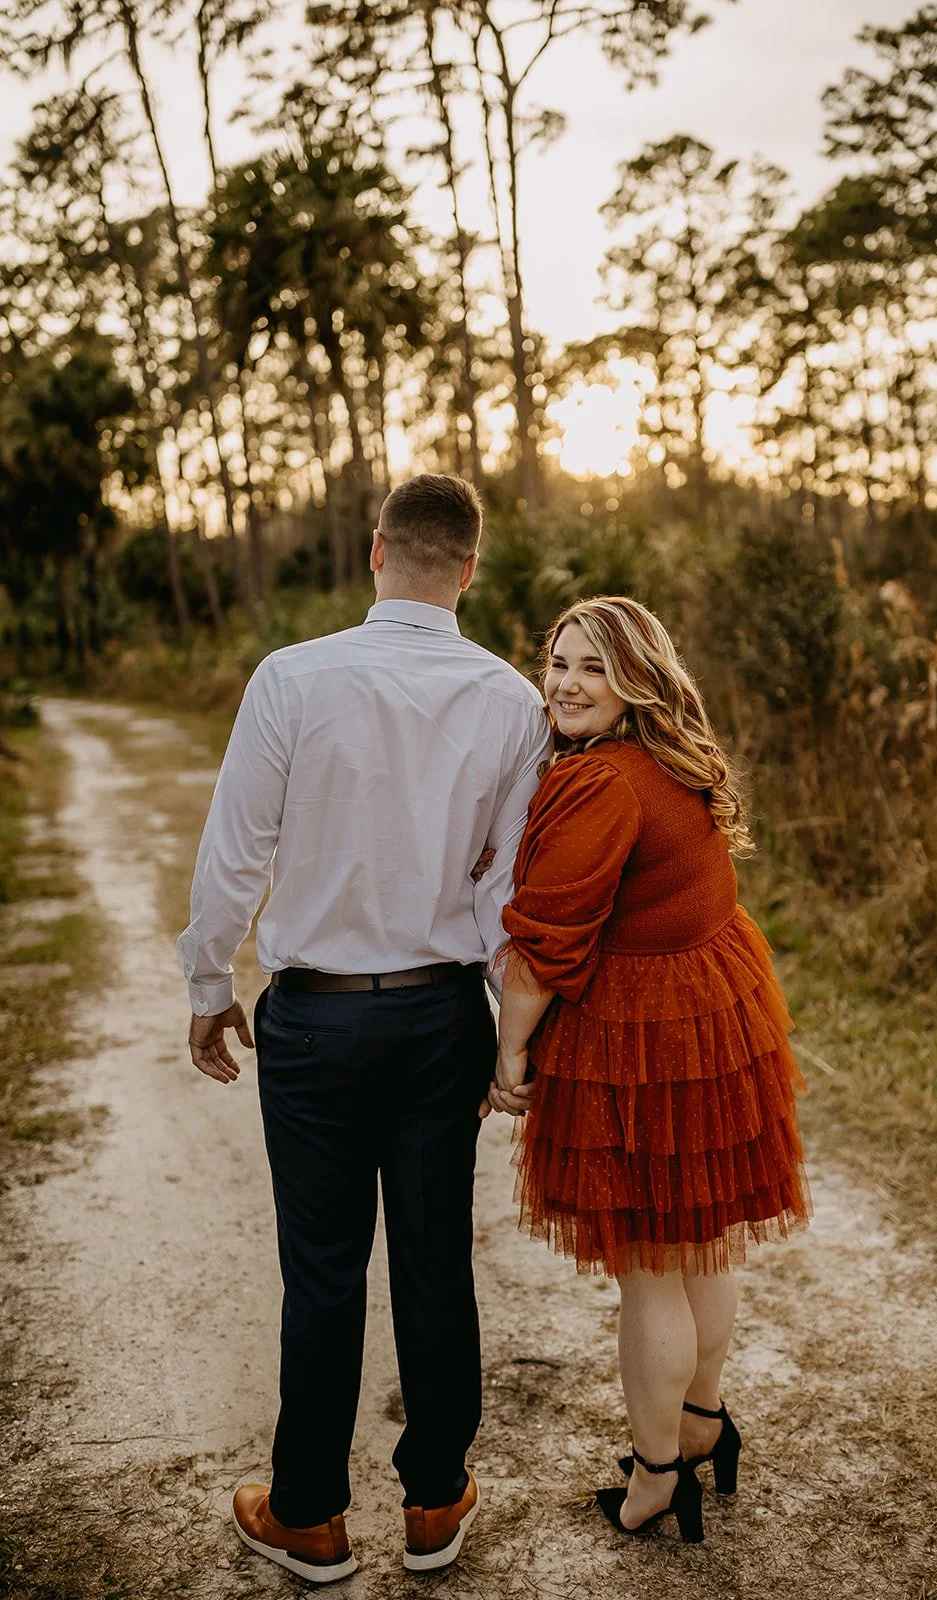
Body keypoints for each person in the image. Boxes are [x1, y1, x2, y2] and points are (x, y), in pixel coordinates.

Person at [177, 474, 551, 1581]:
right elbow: (505, 893)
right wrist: (507, 1036)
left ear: (374, 549)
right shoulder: (512, 702)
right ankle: (435, 1501)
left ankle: (308, 1515)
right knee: (436, 1262)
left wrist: (208, 982)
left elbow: (234, 852)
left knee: (324, 1271)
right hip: (440, 1017)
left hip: (313, 1023)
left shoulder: (291, 678)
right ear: (469, 569)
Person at [485, 595, 810, 1543]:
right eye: (557, 662)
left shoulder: (601, 784)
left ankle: (658, 1476)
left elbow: (544, 945)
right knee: (697, 1239)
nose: (566, 684)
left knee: (649, 1273)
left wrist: (508, 1053)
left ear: (635, 678)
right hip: (709, 1012)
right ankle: (702, 1421)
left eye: (593, 666)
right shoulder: (674, 759)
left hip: (647, 1034)